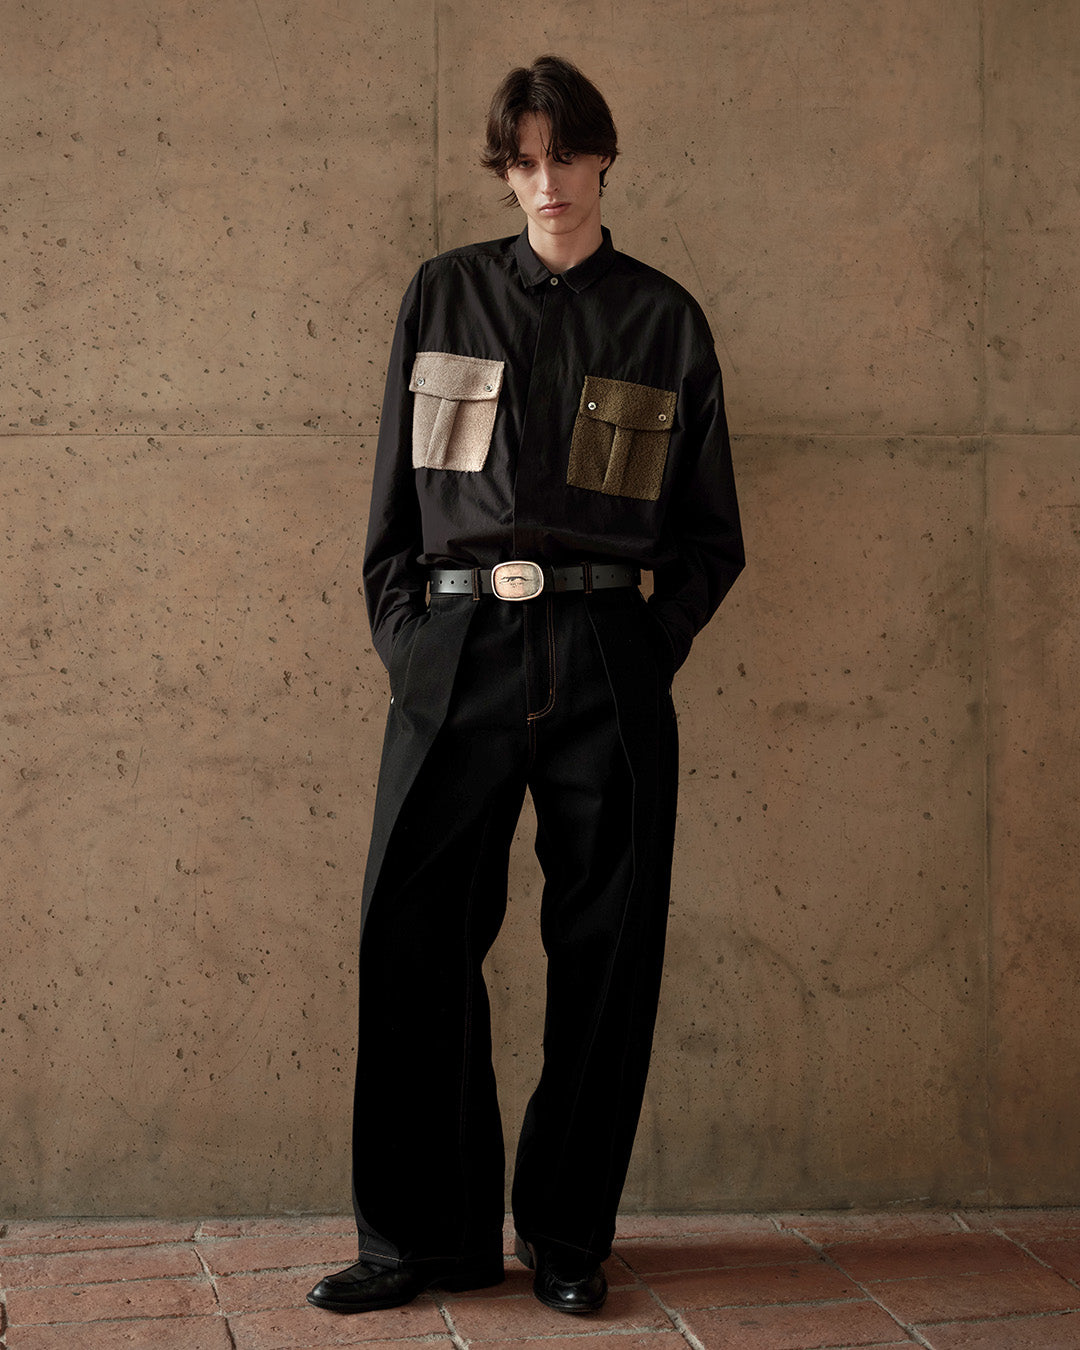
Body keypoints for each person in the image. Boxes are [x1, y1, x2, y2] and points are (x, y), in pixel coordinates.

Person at [308, 54, 744, 1318]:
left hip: (607, 657)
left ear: (604, 157)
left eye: (566, 156)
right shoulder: (443, 294)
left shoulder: (665, 320)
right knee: (412, 939)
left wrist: (644, 648)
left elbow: (710, 538)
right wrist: (412, 644)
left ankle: (566, 1235)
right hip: (456, 655)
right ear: (505, 171)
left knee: (606, 950)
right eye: (524, 161)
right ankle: (424, 1240)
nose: (546, 182)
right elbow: (393, 509)